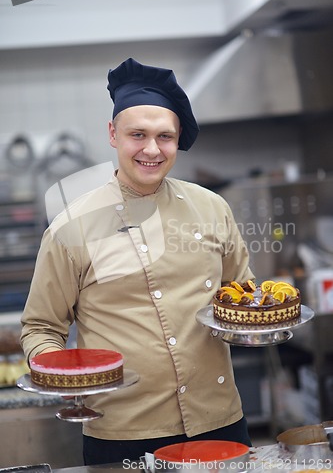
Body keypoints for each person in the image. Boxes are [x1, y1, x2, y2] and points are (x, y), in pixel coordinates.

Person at [21, 58, 254, 465]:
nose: (151, 149)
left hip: (218, 420)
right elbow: (41, 327)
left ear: (177, 138)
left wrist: (256, 325)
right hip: (123, 431)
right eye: (137, 135)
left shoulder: (211, 207)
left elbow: (242, 299)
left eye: (165, 137)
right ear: (113, 134)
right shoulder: (71, 226)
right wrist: (61, 375)